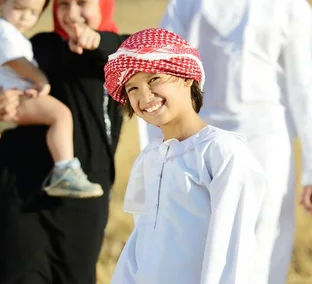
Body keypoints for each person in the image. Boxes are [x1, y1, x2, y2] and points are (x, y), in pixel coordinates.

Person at [137, 0, 312, 282]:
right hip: (199, 138)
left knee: (263, 243)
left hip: (269, 142)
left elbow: (306, 94)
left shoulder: (290, 5)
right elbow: (157, 77)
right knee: (194, 241)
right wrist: (154, 157)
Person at [0, 0, 129, 284]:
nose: (71, 13)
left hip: (85, 194)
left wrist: (96, 41)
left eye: (82, 2)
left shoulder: (120, 54)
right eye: (62, 3)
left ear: (102, 0)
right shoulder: (38, 48)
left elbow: (138, 50)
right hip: (23, 187)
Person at [104, 28, 266, 283]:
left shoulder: (221, 151)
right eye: (132, 88)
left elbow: (233, 249)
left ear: (187, 77)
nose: (144, 96)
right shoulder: (151, 158)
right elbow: (142, 243)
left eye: (154, 79)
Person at [0, 0, 103, 198]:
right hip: (14, 96)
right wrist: (40, 79)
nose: (26, 17)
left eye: (34, 12)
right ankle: (65, 170)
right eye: (18, 8)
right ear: (0, 1)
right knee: (61, 115)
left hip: (12, 96)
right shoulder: (2, 31)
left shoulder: (13, 34)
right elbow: (14, 60)